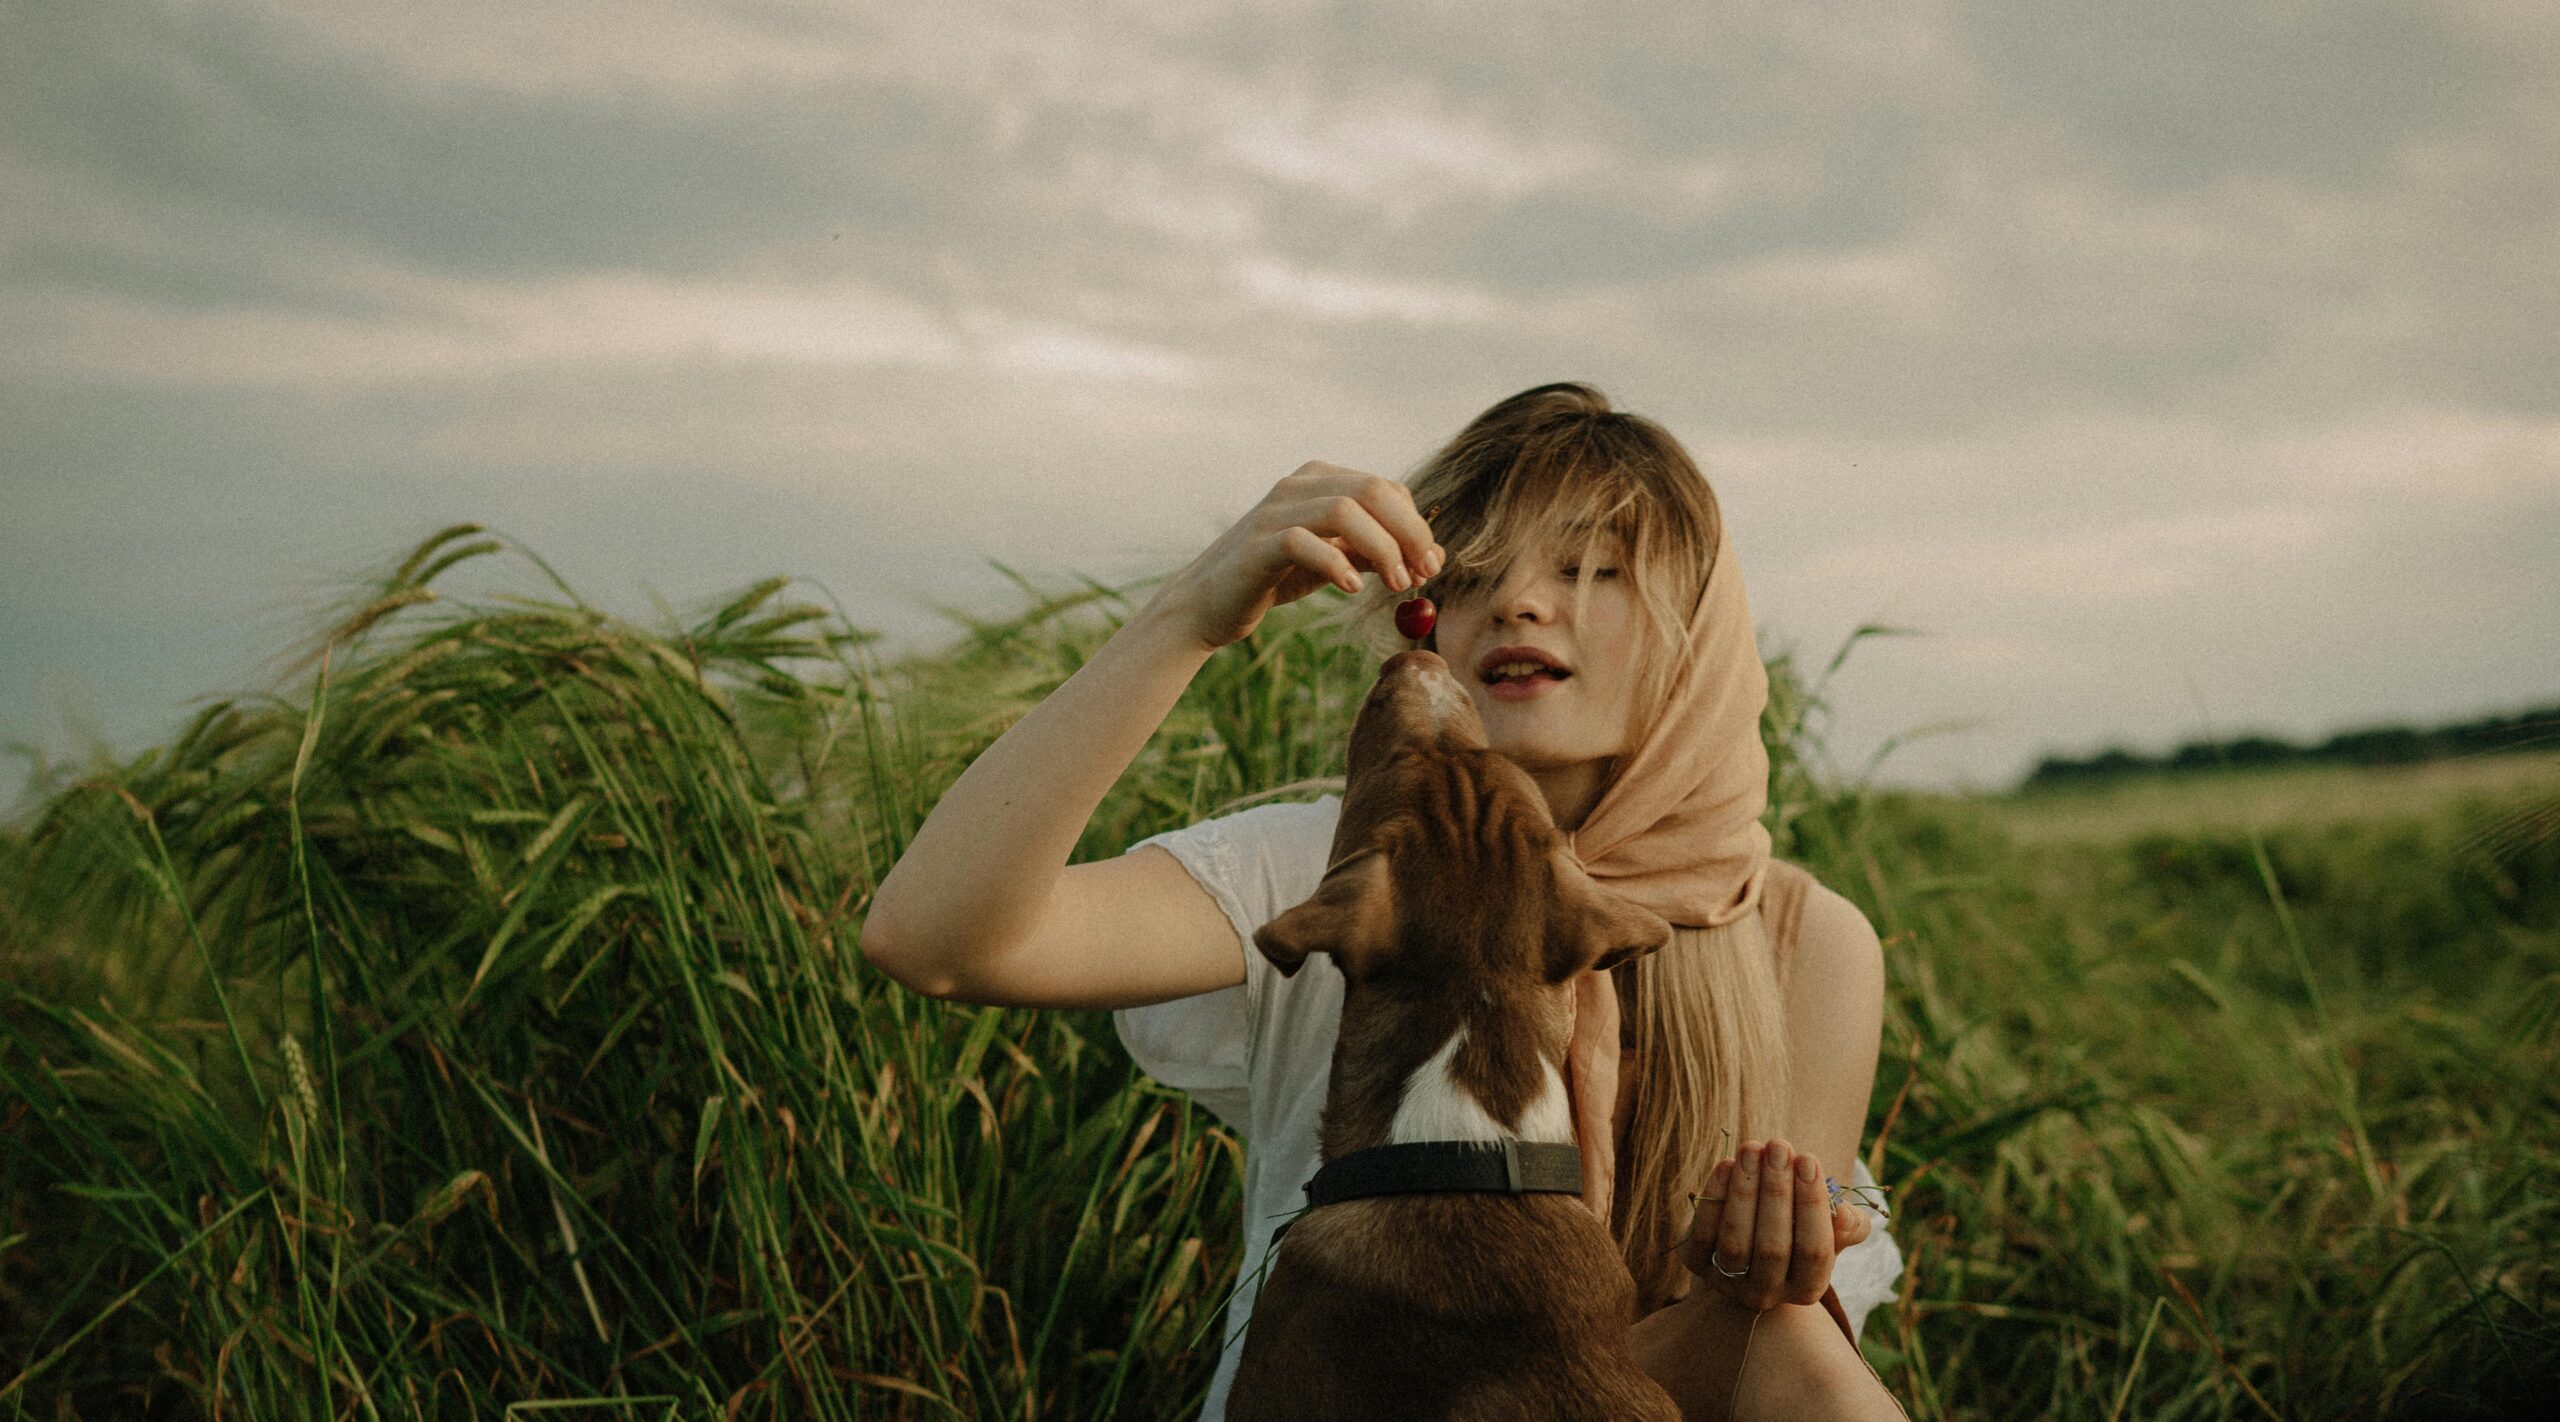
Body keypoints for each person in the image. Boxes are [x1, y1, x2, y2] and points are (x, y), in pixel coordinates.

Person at [862, 382, 1906, 1420]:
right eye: (1472, 575)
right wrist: (1190, 614)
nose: (1517, 601)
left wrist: (1755, 1277)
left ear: (1702, 632)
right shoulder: (1330, 870)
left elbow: (1744, 1350)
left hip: (1620, 1389)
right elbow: (940, 943)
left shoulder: (1798, 940)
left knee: (1787, 1332)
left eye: (1591, 568)